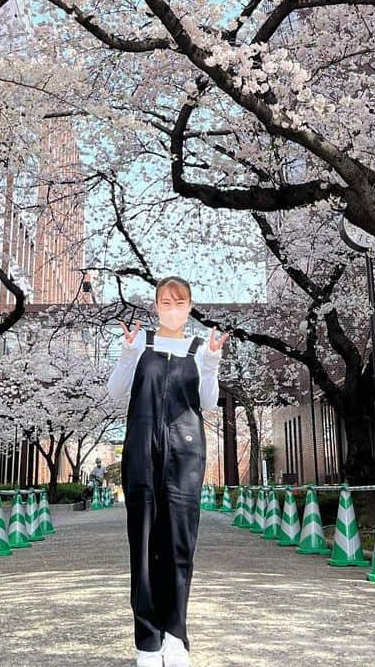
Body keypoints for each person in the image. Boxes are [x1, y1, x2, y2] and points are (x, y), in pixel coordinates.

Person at [107, 276, 229, 667]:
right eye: (165, 301)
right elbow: (115, 391)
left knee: (178, 542)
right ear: (156, 305)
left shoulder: (198, 347)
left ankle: (175, 635)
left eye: (179, 302)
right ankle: (148, 642)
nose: (172, 308)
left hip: (185, 451)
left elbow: (207, 401)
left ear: (190, 306)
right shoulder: (140, 343)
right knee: (142, 542)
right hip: (142, 448)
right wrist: (126, 355)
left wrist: (211, 362)